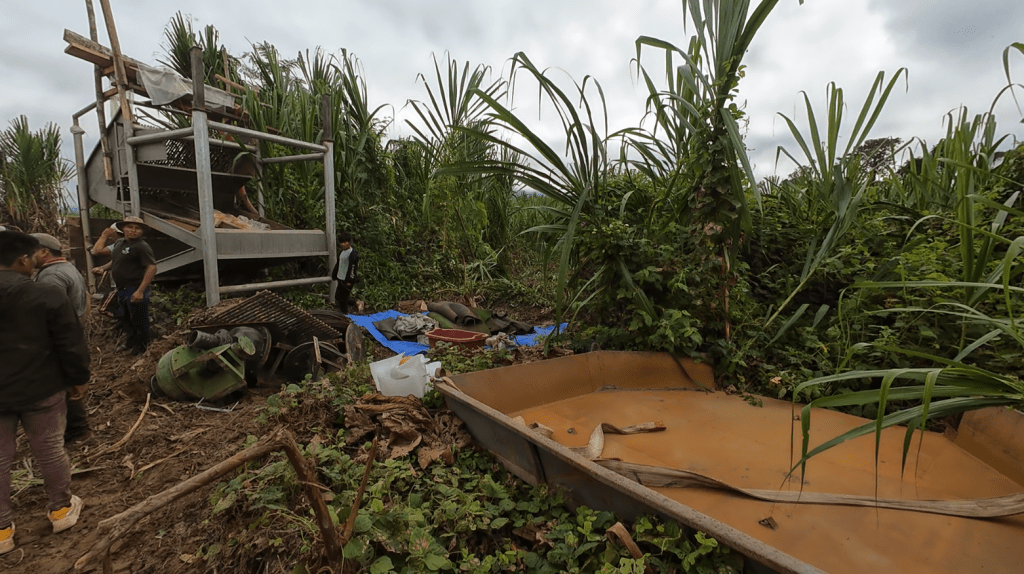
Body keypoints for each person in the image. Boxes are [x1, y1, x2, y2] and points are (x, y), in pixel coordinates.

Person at [0, 231, 89, 555]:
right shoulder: (46, 295)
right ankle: (61, 511)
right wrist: (78, 380)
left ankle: (2, 532)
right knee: (50, 450)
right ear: (23, 260)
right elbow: (70, 345)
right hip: (42, 389)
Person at [31, 233, 91, 443]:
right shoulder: (68, 268)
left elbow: (49, 313)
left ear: (44, 252)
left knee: (61, 386)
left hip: (59, 337)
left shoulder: (50, 277)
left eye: (31, 252)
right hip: (71, 333)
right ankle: (76, 428)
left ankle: (74, 430)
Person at [91, 216, 158, 355]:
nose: (133, 230)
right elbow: (116, 261)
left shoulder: (141, 246)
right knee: (126, 318)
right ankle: (130, 343)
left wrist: (140, 291)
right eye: (130, 227)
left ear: (142, 232)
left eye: (137, 228)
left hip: (135, 288)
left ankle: (143, 348)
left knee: (139, 320)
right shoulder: (119, 243)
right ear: (123, 229)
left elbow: (151, 268)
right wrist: (103, 268)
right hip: (121, 289)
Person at [331, 231, 360, 313]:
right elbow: (338, 264)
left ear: (349, 242)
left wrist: (350, 280)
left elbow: (353, 268)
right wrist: (334, 274)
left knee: (343, 299)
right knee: (338, 296)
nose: (343, 244)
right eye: (341, 242)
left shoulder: (353, 254)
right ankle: (356, 303)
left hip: (347, 279)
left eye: (345, 242)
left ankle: (345, 315)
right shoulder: (342, 252)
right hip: (340, 277)